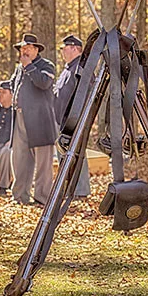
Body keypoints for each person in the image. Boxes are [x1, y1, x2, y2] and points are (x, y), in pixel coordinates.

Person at [10, 33, 56, 206]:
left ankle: (42, 198)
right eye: (22, 48)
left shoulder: (46, 66)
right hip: (20, 117)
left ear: (36, 49)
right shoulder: (19, 67)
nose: (24, 51)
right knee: (20, 159)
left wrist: (29, 66)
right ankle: (20, 196)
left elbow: (43, 83)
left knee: (43, 164)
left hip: (40, 120)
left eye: (28, 48)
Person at [54, 34, 90, 199]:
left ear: (75, 48)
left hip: (74, 121)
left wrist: (79, 118)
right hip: (62, 121)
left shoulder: (81, 68)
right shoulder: (68, 69)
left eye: (64, 48)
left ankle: (80, 192)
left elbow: (86, 94)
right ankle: (70, 191)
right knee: (65, 156)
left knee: (76, 156)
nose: (62, 52)